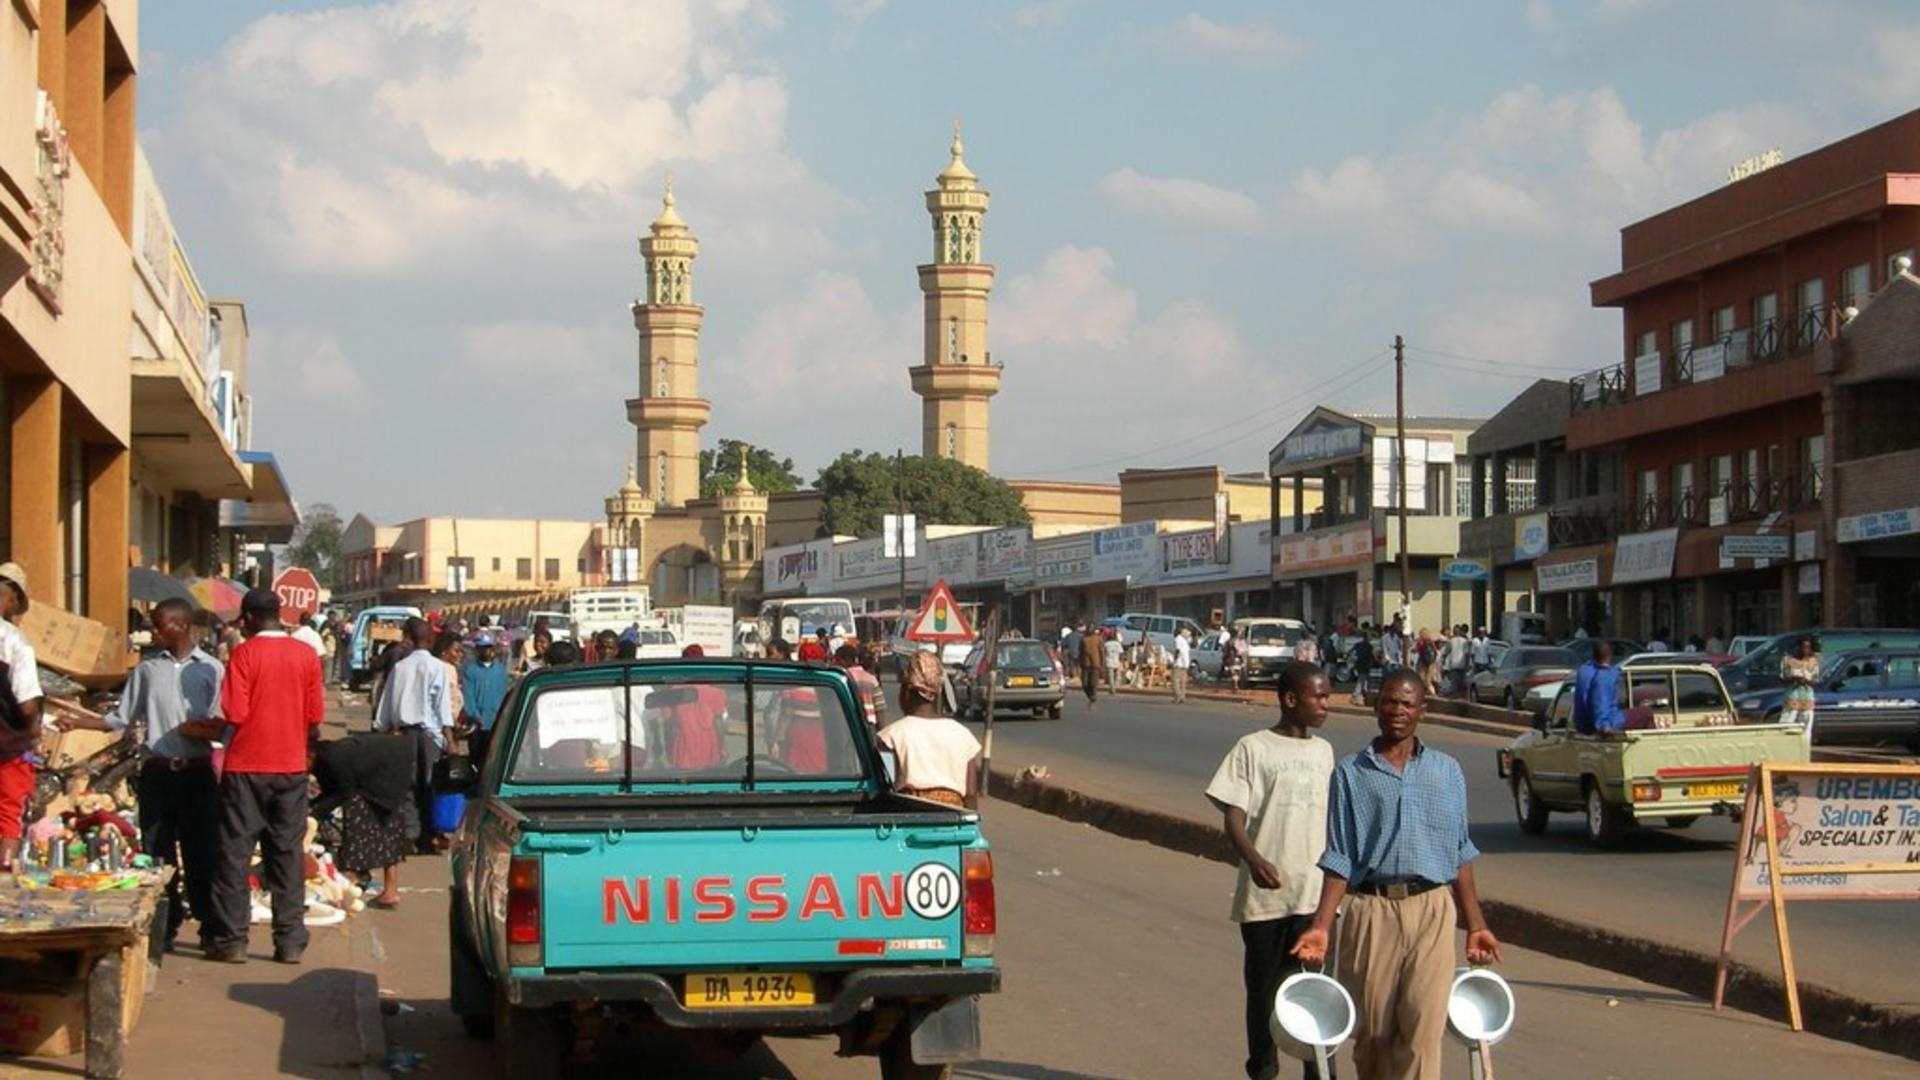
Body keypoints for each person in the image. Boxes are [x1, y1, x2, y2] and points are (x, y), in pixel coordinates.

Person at [1291, 671, 1501, 1080]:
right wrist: (1320, 927)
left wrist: (1476, 925)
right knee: (1373, 1034)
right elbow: (1340, 857)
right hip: (1373, 910)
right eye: (1389, 701)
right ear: (1375, 706)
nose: (1397, 711)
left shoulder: (1447, 771)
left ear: (1422, 710)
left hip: (1433, 910)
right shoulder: (1351, 773)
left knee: (1423, 1031)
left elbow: (1460, 852)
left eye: (1407, 704)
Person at [1207, 662, 1337, 1080]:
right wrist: (1254, 858)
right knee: (1265, 992)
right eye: (1318, 696)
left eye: (1327, 696)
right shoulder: (1253, 748)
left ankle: (1320, 1072)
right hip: (1266, 897)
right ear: (1290, 699)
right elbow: (1233, 815)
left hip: (1314, 895)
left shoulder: (1324, 751)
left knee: (1315, 994)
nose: (1325, 705)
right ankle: (1263, 1068)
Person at [205, 588, 325, 964]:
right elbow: (315, 715)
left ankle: (232, 940)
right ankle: (289, 940)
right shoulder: (305, 655)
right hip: (289, 766)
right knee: (287, 854)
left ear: (251, 618)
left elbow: (235, 712)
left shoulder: (244, 654)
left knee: (235, 854)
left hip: (245, 767)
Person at [98, 598, 224, 951]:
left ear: (180, 625)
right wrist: (80, 720)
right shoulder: (147, 670)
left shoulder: (212, 669)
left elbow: (222, 723)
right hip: (157, 773)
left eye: (160, 624)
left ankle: (209, 926)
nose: (154, 631)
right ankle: (165, 924)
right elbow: (120, 718)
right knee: (157, 852)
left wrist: (202, 729)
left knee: (203, 851)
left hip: (197, 774)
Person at [376, 619, 455, 854]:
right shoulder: (437, 667)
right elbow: (442, 707)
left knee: (408, 786)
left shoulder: (401, 667)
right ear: (430, 640)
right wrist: (450, 739)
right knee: (430, 785)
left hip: (403, 733)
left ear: (409, 637)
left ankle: (410, 834)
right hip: (430, 734)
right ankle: (429, 836)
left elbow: (387, 702)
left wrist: (384, 727)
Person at [311, 733, 414, 910]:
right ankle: (388, 890)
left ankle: (351, 880)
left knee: (361, 823)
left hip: (387, 769)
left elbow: (345, 793)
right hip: (388, 764)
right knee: (386, 825)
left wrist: (313, 813)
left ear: (309, 755)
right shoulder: (324, 759)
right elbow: (330, 791)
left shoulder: (334, 758)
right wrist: (313, 807)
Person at [877, 651, 982, 808]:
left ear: (905, 692)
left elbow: (885, 788)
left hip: (911, 817)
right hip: (954, 819)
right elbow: (971, 793)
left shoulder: (891, 736)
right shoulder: (963, 735)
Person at [0, 562, 46, 870]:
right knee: (8, 812)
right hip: (7, 745)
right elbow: (28, 703)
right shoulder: (14, 641)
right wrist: (33, 732)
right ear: (13, 599)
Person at [457, 633, 510, 765]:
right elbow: (468, 696)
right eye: (483, 647)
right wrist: (475, 715)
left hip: (496, 722)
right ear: (477, 649)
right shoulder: (470, 670)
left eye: (489, 647)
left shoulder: (500, 670)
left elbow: (504, 693)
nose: (487, 650)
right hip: (477, 724)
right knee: (476, 757)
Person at [1571, 640, 1625, 735]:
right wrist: (1605, 726)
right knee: (1645, 713)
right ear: (1610, 654)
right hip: (1605, 724)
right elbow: (1601, 701)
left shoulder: (1583, 671)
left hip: (1582, 724)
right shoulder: (1606, 676)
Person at [1780, 636, 1821, 737]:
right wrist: (1794, 679)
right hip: (1792, 697)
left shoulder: (1813, 661)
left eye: (1808, 647)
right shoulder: (1788, 660)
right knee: (1787, 724)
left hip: (1807, 698)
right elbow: (1782, 678)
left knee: (1805, 727)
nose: (1805, 650)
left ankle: (1804, 747)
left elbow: (1816, 680)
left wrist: (1806, 681)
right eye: (1803, 647)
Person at [836, 644, 884, 728]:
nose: (834, 663)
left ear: (843, 660)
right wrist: (881, 730)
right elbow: (879, 709)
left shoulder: (841, 679)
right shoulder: (871, 679)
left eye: (836, 660)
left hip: (846, 725)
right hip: (869, 726)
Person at [1079, 628, 1104, 709]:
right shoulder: (1084, 640)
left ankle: (1093, 699)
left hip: (1095, 664)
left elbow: (1101, 651)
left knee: (1093, 683)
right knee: (1084, 684)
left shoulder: (1098, 639)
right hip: (1085, 664)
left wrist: (1102, 664)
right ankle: (1091, 697)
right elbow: (1081, 651)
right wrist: (1080, 662)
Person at [1445, 625, 1470, 697]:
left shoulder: (1451, 641)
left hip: (1454, 663)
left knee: (1454, 681)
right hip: (1462, 663)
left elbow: (1446, 652)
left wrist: (1444, 661)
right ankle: (1461, 694)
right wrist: (1467, 663)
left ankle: (1455, 694)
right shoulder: (1465, 641)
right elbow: (1467, 653)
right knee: (1462, 680)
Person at [1171, 629, 1193, 704]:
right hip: (1185, 663)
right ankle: (1183, 696)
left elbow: (1178, 650)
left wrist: (1174, 660)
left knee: (1174, 680)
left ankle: (1178, 695)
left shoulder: (1178, 639)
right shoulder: (1185, 641)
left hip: (1179, 663)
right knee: (1183, 681)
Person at [1103, 629, 1123, 694]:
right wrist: (1121, 660)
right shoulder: (1118, 644)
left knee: (1110, 677)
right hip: (1116, 661)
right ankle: (1115, 687)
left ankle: (1112, 689)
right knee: (1116, 676)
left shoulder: (1106, 644)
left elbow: (1104, 653)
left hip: (1109, 661)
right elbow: (1121, 653)